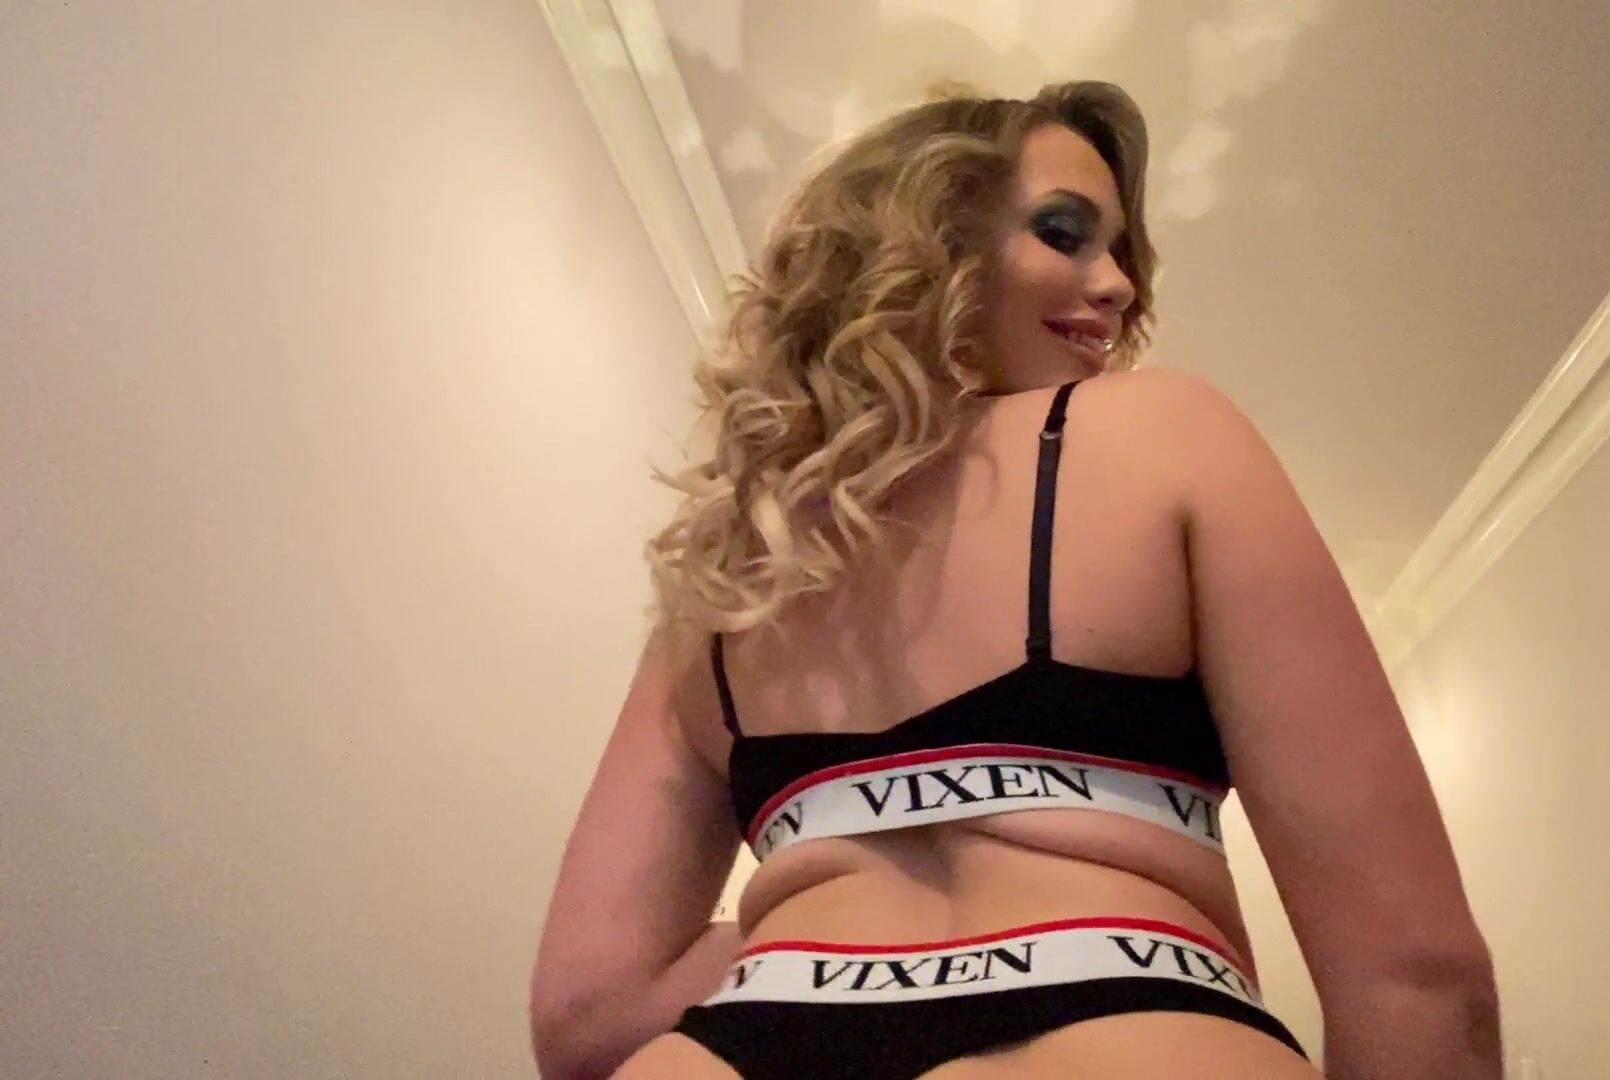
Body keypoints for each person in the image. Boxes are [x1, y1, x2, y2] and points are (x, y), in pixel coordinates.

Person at [529, 80, 1500, 1080]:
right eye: (1065, 233)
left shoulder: (736, 566)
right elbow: (1418, 973)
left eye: (1121, 253)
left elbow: (588, 1017)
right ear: (930, 240)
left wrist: (814, 926)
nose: (1117, 286)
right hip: (1126, 1010)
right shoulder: (1167, 434)